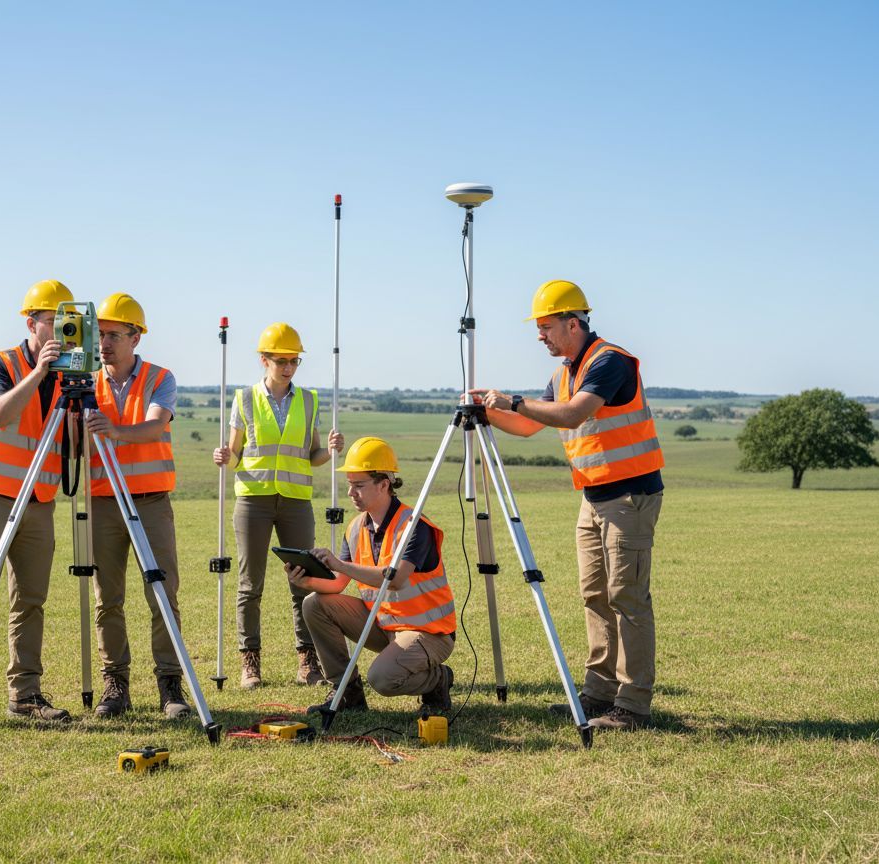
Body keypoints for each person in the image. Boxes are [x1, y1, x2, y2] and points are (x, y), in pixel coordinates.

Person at [471, 279, 664, 731]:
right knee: (595, 595)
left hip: (630, 497)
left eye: (545, 326)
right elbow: (528, 425)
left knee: (627, 598)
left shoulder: (609, 362)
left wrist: (514, 399)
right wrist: (487, 411)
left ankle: (633, 705)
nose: (540, 336)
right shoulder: (563, 373)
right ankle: (598, 693)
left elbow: (573, 414)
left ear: (572, 323)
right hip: (593, 498)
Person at [0, 278, 75, 732]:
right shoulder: (0, 364)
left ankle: (25, 694)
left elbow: (73, 444)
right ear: (31, 322)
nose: (61, 331)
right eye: (53, 321)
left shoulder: (68, 377)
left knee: (31, 600)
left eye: (68, 323)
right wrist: (39, 373)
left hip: (38, 501)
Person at [211, 322, 344, 689]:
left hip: (297, 502)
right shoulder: (245, 399)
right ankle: (249, 664)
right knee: (249, 584)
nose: (288, 367)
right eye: (281, 360)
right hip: (253, 500)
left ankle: (308, 662)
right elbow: (237, 454)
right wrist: (225, 455)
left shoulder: (309, 400)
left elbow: (312, 455)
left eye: (294, 361)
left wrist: (330, 451)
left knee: (304, 582)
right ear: (264, 360)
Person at [82, 292, 192, 721]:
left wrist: (114, 431)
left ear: (135, 336)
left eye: (113, 334)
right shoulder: (84, 380)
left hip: (150, 502)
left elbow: (154, 425)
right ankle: (116, 683)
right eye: (100, 334)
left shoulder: (160, 377)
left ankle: (170, 683)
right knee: (107, 598)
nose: (104, 343)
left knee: (162, 593)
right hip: (103, 503)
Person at [287, 437, 455, 714]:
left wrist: (339, 564)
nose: (351, 492)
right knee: (314, 603)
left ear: (384, 484)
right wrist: (306, 581)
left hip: (429, 633)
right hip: (384, 625)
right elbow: (338, 584)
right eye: (350, 484)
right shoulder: (355, 527)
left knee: (382, 679)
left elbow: (397, 579)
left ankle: (439, 680)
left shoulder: (414, 526)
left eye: (359, 485)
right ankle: (346, 694)